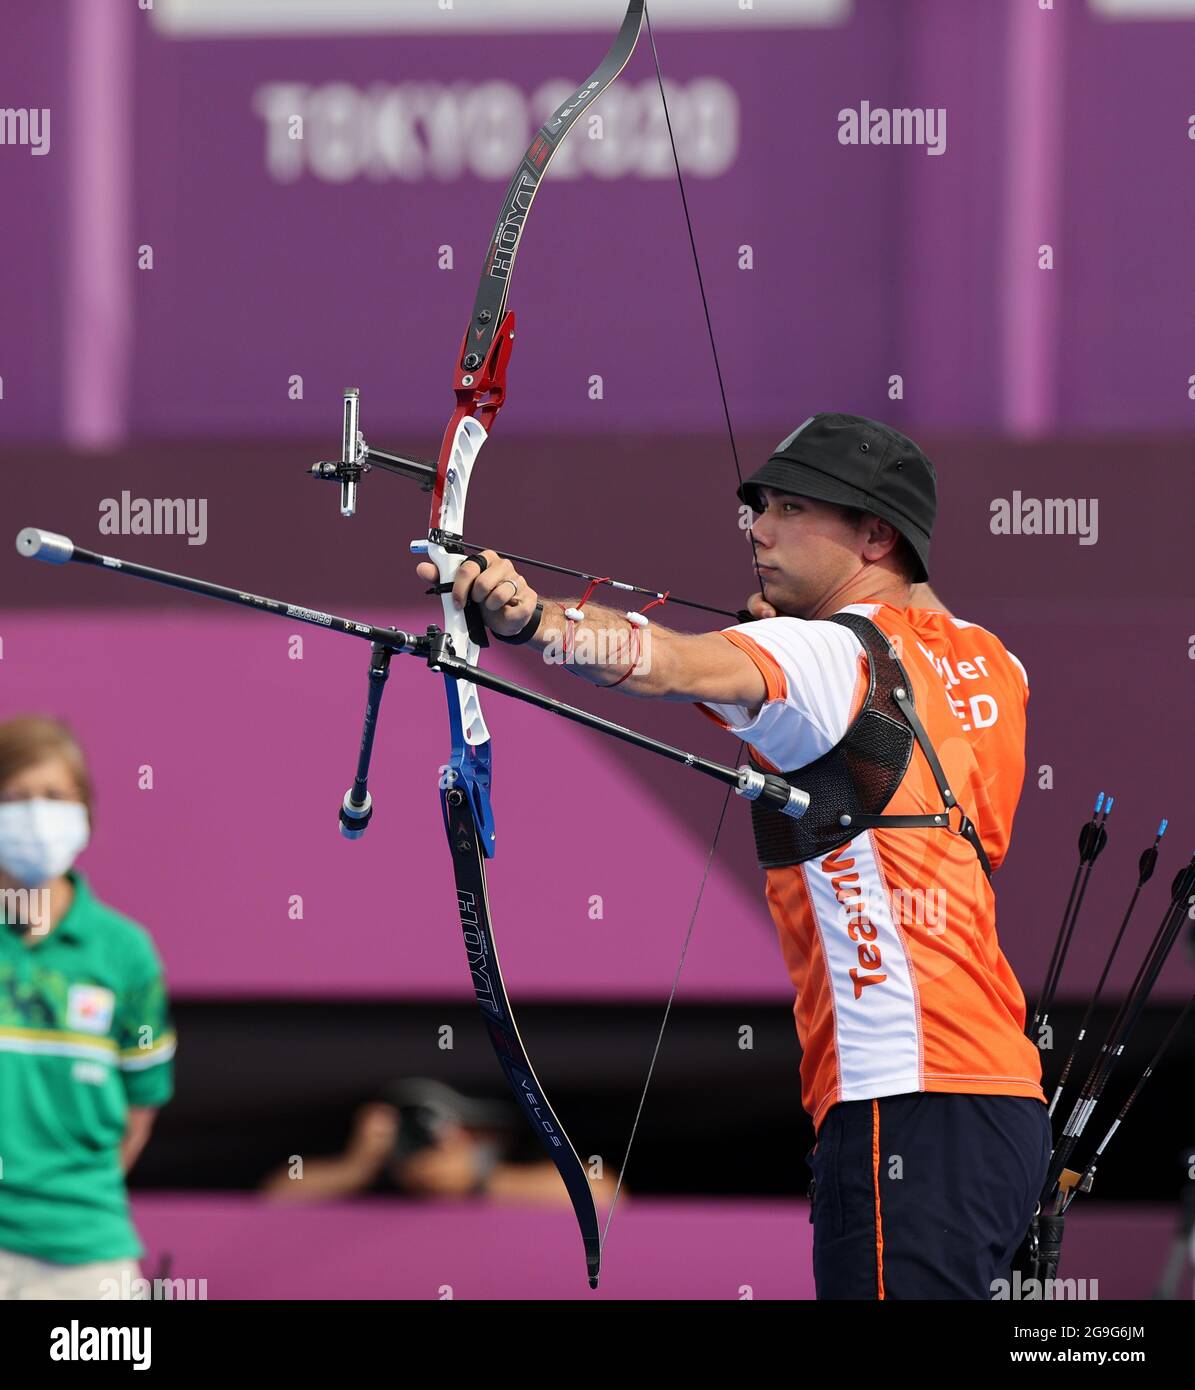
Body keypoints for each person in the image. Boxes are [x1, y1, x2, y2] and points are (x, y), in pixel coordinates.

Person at [418, 411, 1049, 1300]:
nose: (756, 528)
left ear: (878, 534)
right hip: (1000, 1101)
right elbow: (878, 740)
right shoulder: (997, 666)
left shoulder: (827, 654)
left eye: (791, 508)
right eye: (757, 507)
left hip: (897, 1096)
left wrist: (526, 620)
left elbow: (662, 662)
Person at [0, 715, 175, 1299]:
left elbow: (140, 1111)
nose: (35, 814)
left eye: (53, 796)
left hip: (86, 1258)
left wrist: (64, 1204)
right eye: (16, 797)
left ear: (85, 811)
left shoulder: (127, 953)